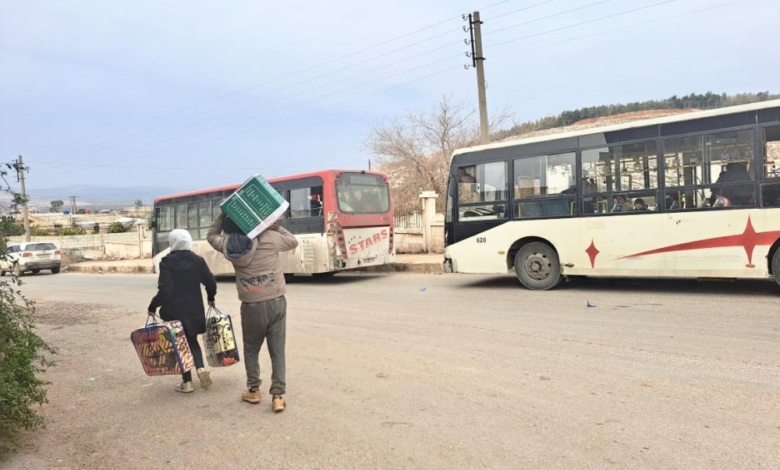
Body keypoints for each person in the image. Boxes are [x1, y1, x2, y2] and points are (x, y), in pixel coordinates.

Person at [207, 212, 298, 413]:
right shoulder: (270, 237)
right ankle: (278, 397)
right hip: (276, 301)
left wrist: (222, 215)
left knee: (251, 349)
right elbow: (292, 241)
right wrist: (273, 226)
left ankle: (254, 390)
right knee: (277, 350)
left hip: (250, 304)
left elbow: (211, 235)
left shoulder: (229, 244)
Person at [148, 229, 217, 394]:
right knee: (192, 340)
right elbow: (210, 281)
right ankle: (200, 368)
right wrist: (211, 297)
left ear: (173, 242)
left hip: (174, 311)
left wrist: (153, 306)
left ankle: (187, 383)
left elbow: (165, 290)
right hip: (194, 310)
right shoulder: (198, 261)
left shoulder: (166, 262)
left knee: (180, 345)